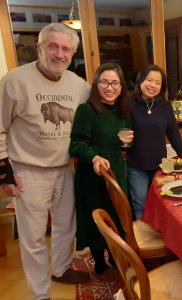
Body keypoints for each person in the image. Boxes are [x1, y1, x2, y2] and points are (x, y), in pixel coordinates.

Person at [0, 23, 91, 300]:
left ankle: (61, 268)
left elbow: (97, 115)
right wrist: (4, 170)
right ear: (40, 47)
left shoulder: (79, 85)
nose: (59, 53)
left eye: (66, 48)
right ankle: (40, 294)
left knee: (67, 225)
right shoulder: (14, 81)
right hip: (29, 172)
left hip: (64, 168)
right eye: (53, 46)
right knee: (34, 238)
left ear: (73, 53)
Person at [69, 62, 132, 278]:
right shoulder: (86, 110)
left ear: (121, 86)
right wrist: (94, 156)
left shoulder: (123, 111)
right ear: (96, 84)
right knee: (98, 221)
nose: (110, 87)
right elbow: (75, 145)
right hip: (93, 176)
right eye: (104, 82)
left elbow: (123, 142)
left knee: (116, 217)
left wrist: (127, 144)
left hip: (117, 171)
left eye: (115, 82)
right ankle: (99, 264)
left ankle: (116, 258)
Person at [126, 64, 182, 219]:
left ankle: (160, 236)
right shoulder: (129, 104)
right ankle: (142, 240)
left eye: (157, 82)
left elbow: (175, 137)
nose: (152, 85)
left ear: (162, 86)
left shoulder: (165, 106)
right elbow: (125, 137)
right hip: (136, 167)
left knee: (163, 202)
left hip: (161, 167)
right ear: (140, 80)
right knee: (140, 204)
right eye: (149, 80)